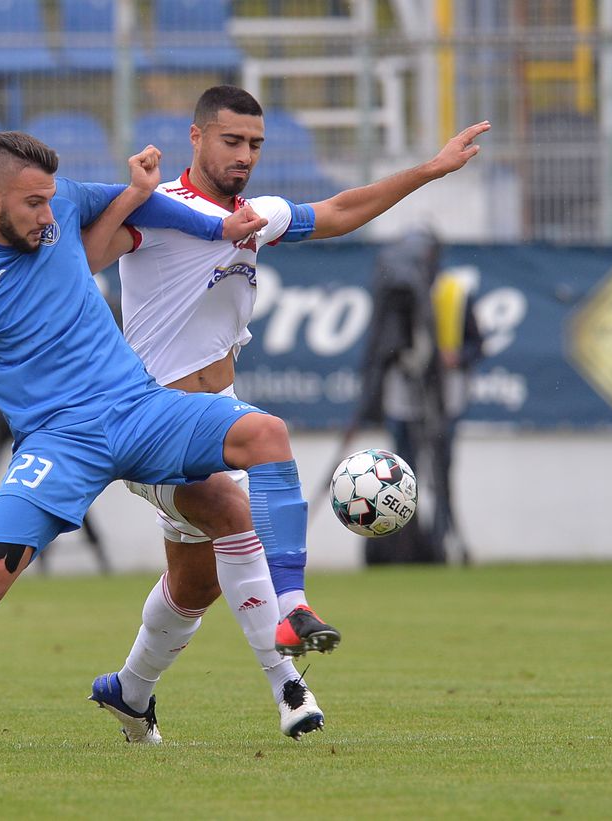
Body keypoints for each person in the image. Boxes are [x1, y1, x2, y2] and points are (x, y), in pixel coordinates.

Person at [0, 131, 329, 755]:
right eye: (33, 205)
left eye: (49, 201)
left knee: (267, 433)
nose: (49, 216)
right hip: (57, 443)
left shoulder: (61, 200)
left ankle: (292, 608)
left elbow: (142, 203)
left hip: (138, 408)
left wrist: (216, 230)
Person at [79, 85, 488, 741]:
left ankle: (129, 692)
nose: (244, 156)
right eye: (231, 141)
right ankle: (291, 685)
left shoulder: (260, 214)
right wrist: (128, 198)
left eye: (255, 145)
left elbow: (341, 210)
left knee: (193, 586)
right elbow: (85, 258)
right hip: (146, 416)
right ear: (197, 136)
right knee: (239, 507)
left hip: (215, 413)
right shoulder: (157, 211)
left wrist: (429, 171)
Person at [357, 228, 484, 564]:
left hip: (445, 396)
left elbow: (477, 343)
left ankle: (440, 542)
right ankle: (405, 545)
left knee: (441, 470)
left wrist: (457, 357)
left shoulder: (455, 291)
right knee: (401, 473)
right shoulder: (394, 291)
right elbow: (381, 342)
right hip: (403, 394)